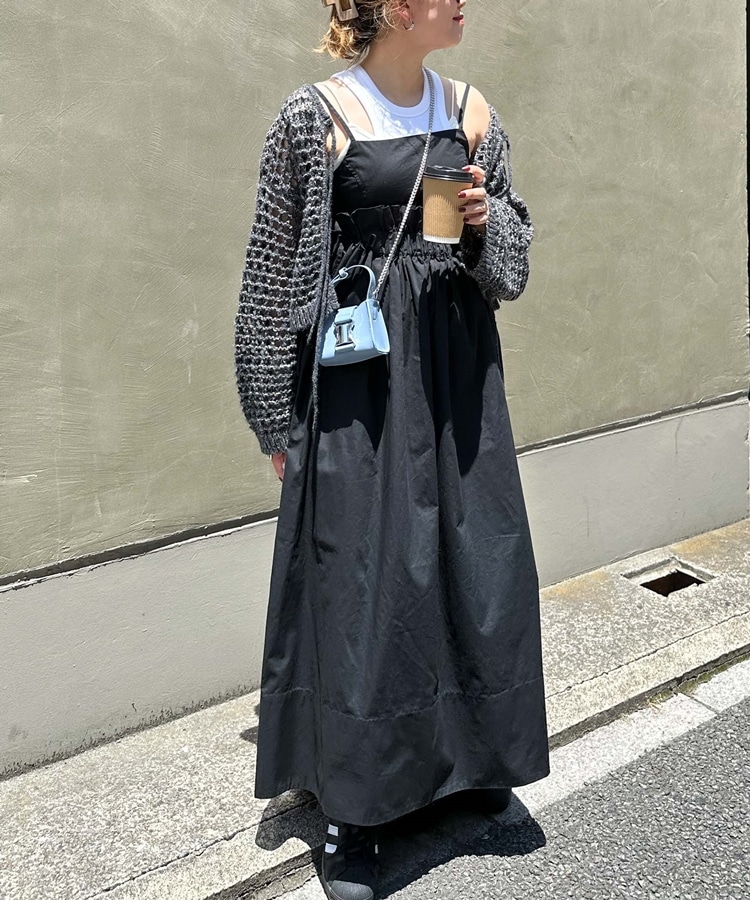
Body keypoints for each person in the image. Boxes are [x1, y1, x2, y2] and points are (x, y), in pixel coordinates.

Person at [234, 2, 550, 897]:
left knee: (475, 565)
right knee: (363, 583)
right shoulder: (314, 118)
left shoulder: (473, 111)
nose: (464, 3)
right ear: (399, 6)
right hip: (360, 385)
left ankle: (477, 755)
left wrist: (486, 222)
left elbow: (513, 267)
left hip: (458, 378)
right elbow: (271, 271)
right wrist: (272, 412)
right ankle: (353, 811)